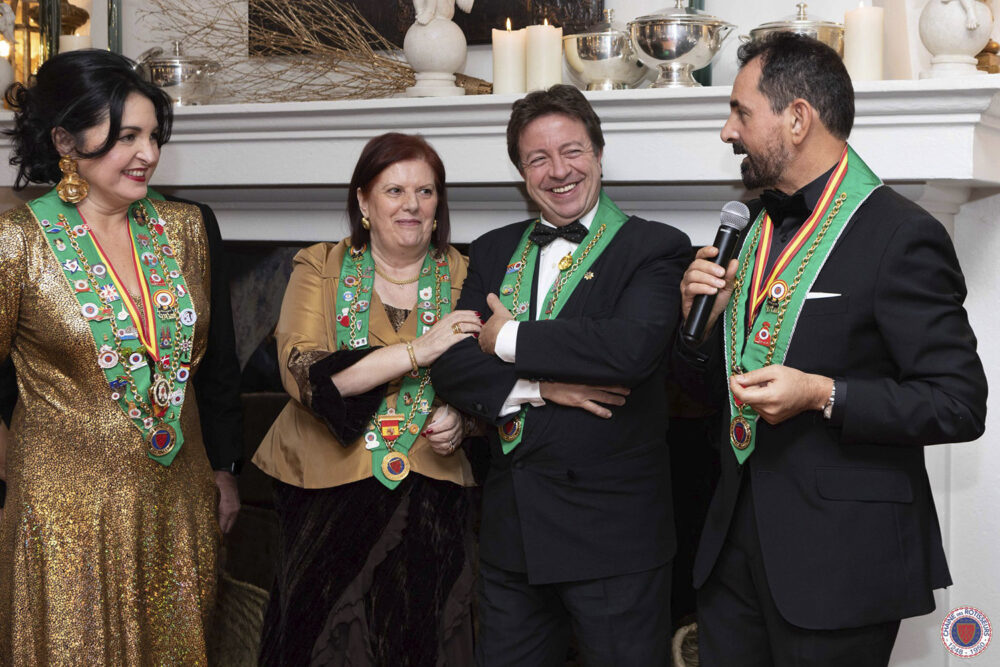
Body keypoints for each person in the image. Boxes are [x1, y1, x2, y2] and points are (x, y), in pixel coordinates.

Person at [673, 33, 988, 666]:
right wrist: (698, 328)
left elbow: (958, 403)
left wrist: (824, 394)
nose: (728, 131)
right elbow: (709, 390)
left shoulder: (902, 234)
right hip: (731, 554)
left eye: (740, 113)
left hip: (841, 566)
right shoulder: (751, 227)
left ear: (796, 119)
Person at [431, 84, 691, 665]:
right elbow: (450, 362)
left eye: (572, 151)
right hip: (513, 535)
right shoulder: (492, 250)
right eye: (538, 158)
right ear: (522, 173)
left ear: (598, 153)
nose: (558, 171)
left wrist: (506, 339)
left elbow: (627, 350)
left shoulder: (654, 246)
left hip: (613, 541)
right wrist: (539, 387)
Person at [0, 50, 221, 663]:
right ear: (65, 141)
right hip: (64, 520)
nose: (147, 153)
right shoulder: (15, 244)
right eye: (126, 137)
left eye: (153, 136)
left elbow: (207, 361)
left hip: (175, 502)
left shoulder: (186, 230)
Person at [253, 132, 483, 665]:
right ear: (363, 199)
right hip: (325, 486)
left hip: (433, 490)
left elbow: (490, 379)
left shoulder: (468, 274)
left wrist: (464, 420)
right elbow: (306, 374)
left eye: (425, 191)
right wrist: (419, 350)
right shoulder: (319, 266)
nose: (412, 205)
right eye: (394, 190)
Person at [0, 195, 245, 534]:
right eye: (126, 141)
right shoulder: (21, 234)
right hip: (64, 502)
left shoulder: (188, 225)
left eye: (153, 143)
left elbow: (219, 356)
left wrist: (224, 465)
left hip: (176, 490)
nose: (146, 163)